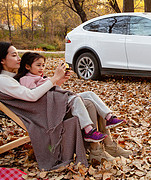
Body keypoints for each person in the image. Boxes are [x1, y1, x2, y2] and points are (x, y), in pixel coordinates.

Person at [0, 42, 130, 169]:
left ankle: (108, 145)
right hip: (41, 116)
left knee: (89, 99)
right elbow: (32, 96)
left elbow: (44, 92)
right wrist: (55, 78)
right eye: (14, 55)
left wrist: (59, 80)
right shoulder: (3, 81)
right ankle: (96, 151)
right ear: (2, 60)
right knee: (88, 104)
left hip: (48, 107)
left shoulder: (15, 78)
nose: (19, 58)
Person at [15, 51, 125, 142]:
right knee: (75, 98)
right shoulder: (26, 79)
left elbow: (52, 86)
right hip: (52, 104)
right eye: (38, 65)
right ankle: (88, 130)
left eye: (43, 65)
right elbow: (34, 94)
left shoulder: (42, 77)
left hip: (59, 98)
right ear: (27, 66)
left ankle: (109, 117)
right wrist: (54, 78)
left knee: (89, 94)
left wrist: (62, 79)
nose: (41, 68)